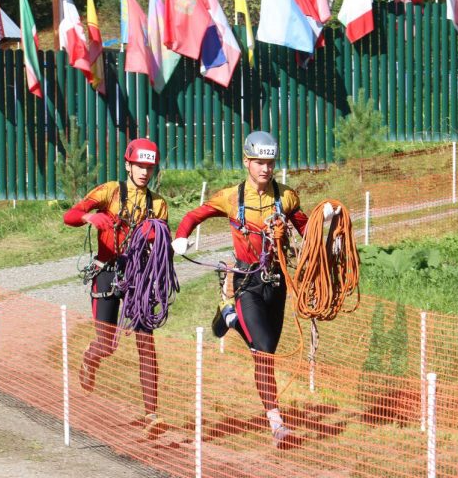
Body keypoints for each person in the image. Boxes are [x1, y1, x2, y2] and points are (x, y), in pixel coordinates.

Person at [172, 131, 312, 449]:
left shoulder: (287, 197)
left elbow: (307, 228)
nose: (265, 168)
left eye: (270, 162)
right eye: (259, 162)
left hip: (277, 282)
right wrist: (180, 237)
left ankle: (229, 316)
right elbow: (194, 215)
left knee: (266, 353)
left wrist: (326, 236)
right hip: (247, 282)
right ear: (246, 161)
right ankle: (277, 425)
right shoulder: (230, 197)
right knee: (262, 349)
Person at [63, 137, 169, 439]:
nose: (144, 172)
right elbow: (69, 216)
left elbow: (163, 244)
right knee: (108, 344)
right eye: (139, 166)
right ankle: (91, 356)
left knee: (145, 342)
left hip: (139, 277)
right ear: (128, 165)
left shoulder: (158, 204)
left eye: (149, 167)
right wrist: (89, 216)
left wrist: (154, 235)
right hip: (107, 272)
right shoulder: (109, 191)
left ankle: (152, 414)